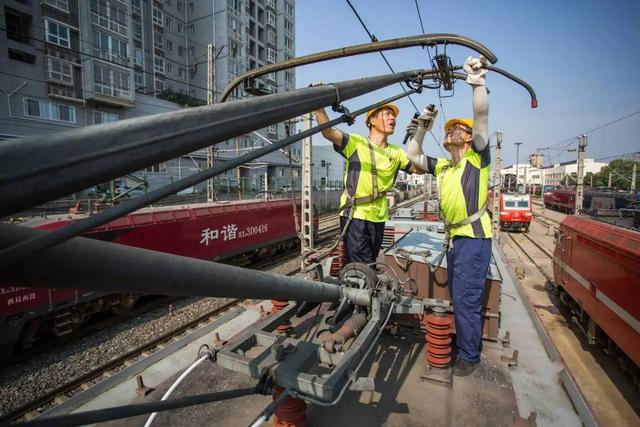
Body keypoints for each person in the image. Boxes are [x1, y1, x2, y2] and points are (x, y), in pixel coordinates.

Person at [406, 56, 493, 377]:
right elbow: (412, 155)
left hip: (474, 239)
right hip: (457, 239)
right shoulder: (444, 166)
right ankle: (467, 346)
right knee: (460, 296)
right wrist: (421, 129)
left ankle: (469, 356)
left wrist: (478, 84)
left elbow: (481, 117)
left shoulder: (477, 159)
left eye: (456, 129)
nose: (451, 131)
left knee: (467, 300)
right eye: (448, 129)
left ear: (468, 138)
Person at [313, 103, 428, 264]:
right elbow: (328, 132)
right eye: (387, 114)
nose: (392, 118)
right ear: (372, 120)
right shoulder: (356, 143)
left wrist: (418, 138)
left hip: (379, 217)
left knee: (370, 262)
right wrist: (318, 108)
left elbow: (420, 169)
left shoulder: (396, 152)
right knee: (363, 266)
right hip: (355, 214)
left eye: (393, 116)